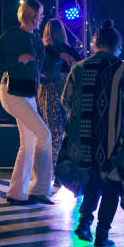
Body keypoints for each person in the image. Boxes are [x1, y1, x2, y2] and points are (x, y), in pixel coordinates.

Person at [61, 19, 124, 247]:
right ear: (118, 46)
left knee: (91, 180)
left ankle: (84, 224)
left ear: (95, 44)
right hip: (113, 140)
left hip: (83, 140)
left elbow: (65, 101)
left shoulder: (79, 67)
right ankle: (102, 237)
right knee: (111, 187)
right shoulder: (123, 69)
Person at [0, 0, 54, 205]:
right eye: (34, 16)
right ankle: (38, 189)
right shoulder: (12, 35)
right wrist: (17, 59)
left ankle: (17, 193)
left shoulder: (35, 37)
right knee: (43, 134)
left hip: (28, 92)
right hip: (12, 91)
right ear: (25, 15)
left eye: (39, 16)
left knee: (30, 142)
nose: (37, 20)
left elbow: (41, 65)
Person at [36, 19, 82, 186]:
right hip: (54, 92)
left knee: (57, 132)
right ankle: (57, 171)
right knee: (58, 132)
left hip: (57, 92)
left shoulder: (50, 50)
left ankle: (58, 171)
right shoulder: (46, 51)